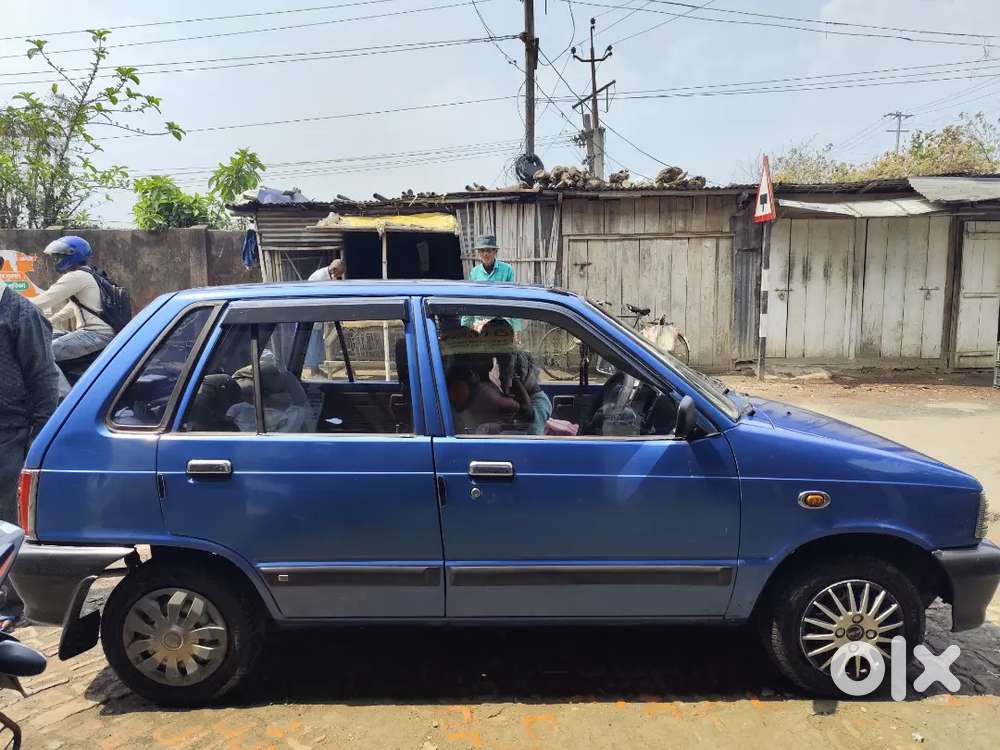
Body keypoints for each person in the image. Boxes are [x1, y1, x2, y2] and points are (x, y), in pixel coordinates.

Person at [0, 272, 60, 631]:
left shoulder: (19, 314)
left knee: (10, 521)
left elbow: (43, 379)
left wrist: (38, 442)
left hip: (14, 432)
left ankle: (12, 601)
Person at [31, 237, 114, 392]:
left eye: (59, 256)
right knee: (48, 335)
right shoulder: (90, 273)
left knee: (42, 353)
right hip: (97, 332)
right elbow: (74, 306)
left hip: (95, 334)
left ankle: (62, 398)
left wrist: (11, 304)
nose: (56, 260)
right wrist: (51, 320)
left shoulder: (75, 277)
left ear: (71, 256)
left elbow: (44, 300)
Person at [304, 258, 346, 378]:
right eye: (339, 274)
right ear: (334, 269)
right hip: (311, 314)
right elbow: (312, 297)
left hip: (319, 315)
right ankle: (313, 372)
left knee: (318, 344)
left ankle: (316, 369)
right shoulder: (318, 277)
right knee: (313, 344)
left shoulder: (330, 276)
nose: (339, 277)